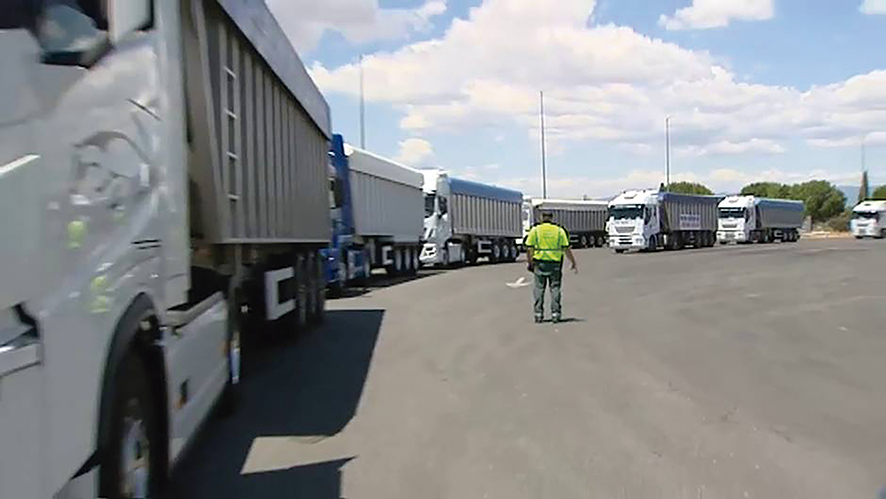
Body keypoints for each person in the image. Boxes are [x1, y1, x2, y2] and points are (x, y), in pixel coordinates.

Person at [524, 211, 578, 323]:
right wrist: (573, 262)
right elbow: (566, 248)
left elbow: (529, 248)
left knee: (539, 288)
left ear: (542, 217)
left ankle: (538, 314)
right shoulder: (559, 231)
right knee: (555, 288)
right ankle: (556, 314)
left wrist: (530, 263)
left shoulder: (535, 230)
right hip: (555, 263)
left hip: (540, 262)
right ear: (552, 218)